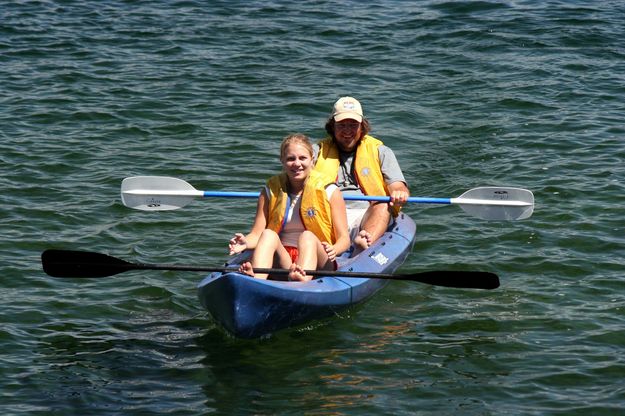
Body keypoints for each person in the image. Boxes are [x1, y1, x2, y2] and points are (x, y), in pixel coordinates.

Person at [228, 133, 351, 282]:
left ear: (312, 159)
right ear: (282, 161)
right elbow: (257, 234)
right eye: (291, 159)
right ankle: (255, 281)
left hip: (321, 260)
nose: (297, 164)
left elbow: (344, 239)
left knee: (307, 236)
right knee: (268, 234)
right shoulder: (270, 190)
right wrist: (245, 243)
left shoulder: (330, 190)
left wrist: (334, 249)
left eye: (302, 158)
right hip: (285, 260)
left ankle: (301, 281)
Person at [313, 96, 409, 252]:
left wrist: (400, 193)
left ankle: (363, 244)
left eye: (353, 125)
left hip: (366, 215)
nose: (347, 131)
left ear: (362, 127)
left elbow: (398, 186)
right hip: (327, 216)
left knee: (383, 205)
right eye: (342, 125)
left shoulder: (381, 152)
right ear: (332, 127)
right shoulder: (316, 152)